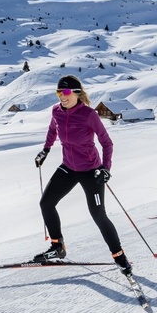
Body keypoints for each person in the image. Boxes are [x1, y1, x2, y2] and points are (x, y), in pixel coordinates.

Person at [33, 75, 133, 277]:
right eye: (59, 92)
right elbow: (53, 130)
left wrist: (105, 168)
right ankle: (57, 245)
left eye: (67, 92)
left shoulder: (89, 115)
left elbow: (107, 143)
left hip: (91, 171)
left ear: (77, 94)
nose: (62, 96)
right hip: (68, 167)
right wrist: (45, 150)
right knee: (46, 203)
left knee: (98, 215)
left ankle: (120, 257)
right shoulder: (56, 111)